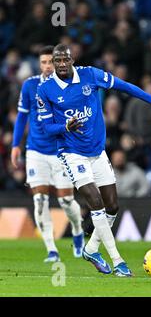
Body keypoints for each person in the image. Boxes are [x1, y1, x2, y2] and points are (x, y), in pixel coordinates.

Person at [37, 44, 151, 277]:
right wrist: (64, 126)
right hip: (72, 152)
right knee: (96, 202)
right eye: (57, 61)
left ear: (72, 60)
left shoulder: (90, 75)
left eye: (65, 60)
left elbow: (123, 86)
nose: (61, 64)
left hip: (96, 151)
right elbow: (45, 127)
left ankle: (91, 249)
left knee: (113, 205)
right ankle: (118, 261)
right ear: (53, 63)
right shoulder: (46, 90)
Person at [11, 45, 84, 263]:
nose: (46, 66)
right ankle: (51, 249)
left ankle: (78, 229)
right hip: (36, 150)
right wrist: (16, 145)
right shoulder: (30, 85)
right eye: (43, 62)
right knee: (40, 200)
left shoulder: (68, 85)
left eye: (50, 62)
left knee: (66, 201)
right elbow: (22, 116)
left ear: (58, 62)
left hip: (62, 150)